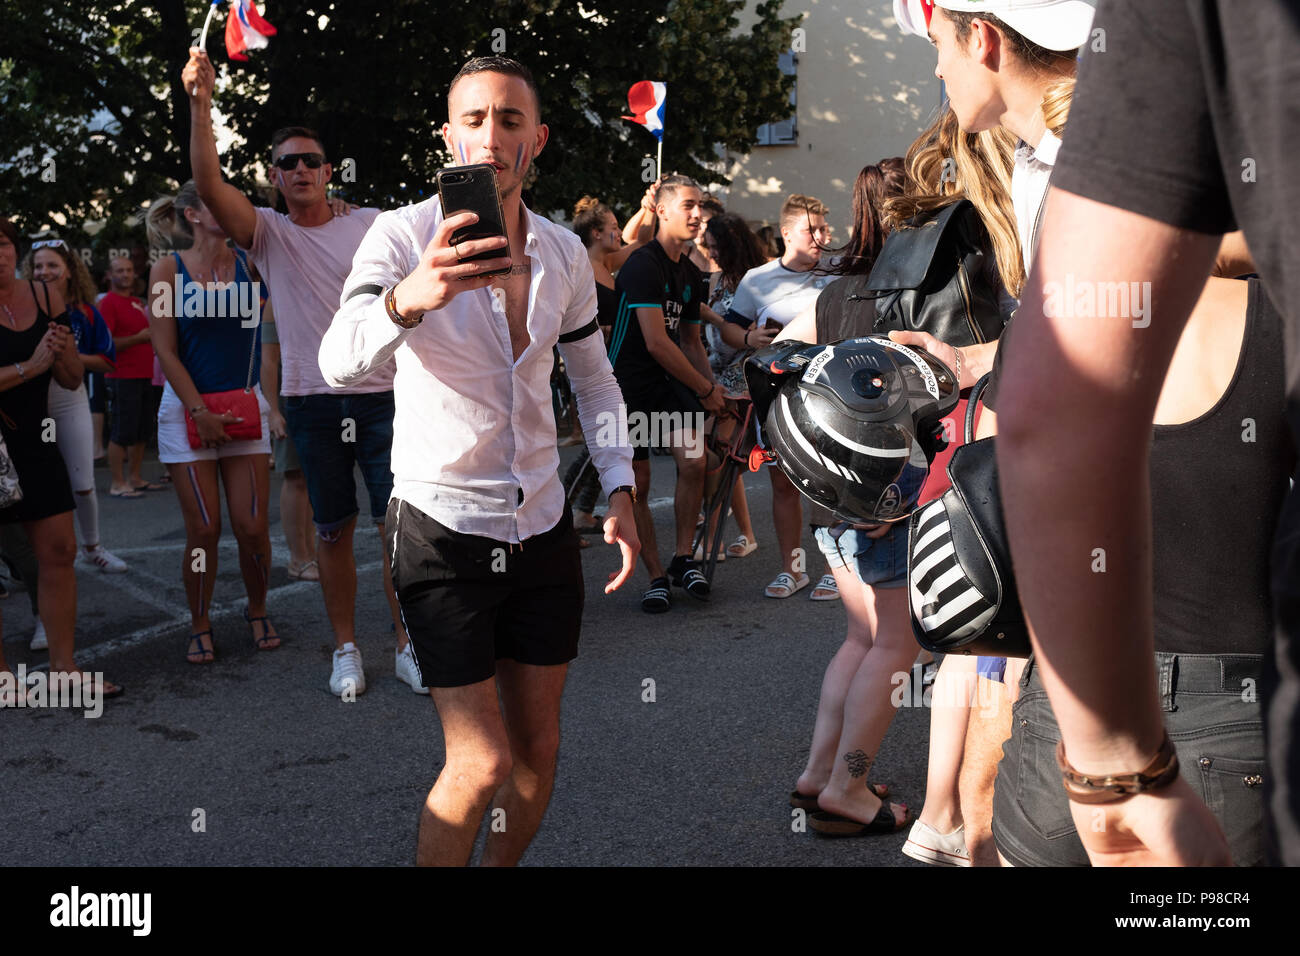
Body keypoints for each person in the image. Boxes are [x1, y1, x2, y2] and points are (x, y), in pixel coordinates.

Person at [976, 0, 1300, 865]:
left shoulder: (1072, 308)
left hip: (1076, 727)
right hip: (1236, 730)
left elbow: (1037, 442)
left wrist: (1108, 766)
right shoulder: (1271, 307)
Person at [320, 55, 639, 866]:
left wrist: (623, 489)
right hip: (441, 525)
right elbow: (337, 362)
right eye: (473, 119)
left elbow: (595, 383)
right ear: (449, 136)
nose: (490, 136)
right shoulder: (398, 237)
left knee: (537, 754)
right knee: (481, 761)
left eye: (508, 119)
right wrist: (410, 298)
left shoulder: (565, 253)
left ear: (537, 137)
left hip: (540, 523)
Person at [892, 0, 1088, 863]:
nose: (936, 71)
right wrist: (975, 366)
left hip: (1127, 561)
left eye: (938, 46)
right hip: (1072, 545)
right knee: (991, 799)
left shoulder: (1095, 160)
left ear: (984, 38)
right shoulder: (1040, 161)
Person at [183, 47, 417, 697]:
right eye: (289, 163)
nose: (302, 169)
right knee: (333, 530)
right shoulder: (267, 235)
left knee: (398, 525)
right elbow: (207, 187)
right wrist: (202, 104)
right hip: (314, 402)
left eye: (313, 160)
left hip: (385, 394)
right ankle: (346, 647)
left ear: (329, 170)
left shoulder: (371, 224)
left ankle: (409, 642)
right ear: (274, 177)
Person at [145, 181, 279, 664]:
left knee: (252, 526)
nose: (229, 207)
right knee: (204, 528)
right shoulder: (166, 270)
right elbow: (164, 347)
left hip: (245, 410)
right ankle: (199, 622)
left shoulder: (253, 262)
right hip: (187, 411)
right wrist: (199, 411)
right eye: (214, 200)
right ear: (192, 213)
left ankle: (258, 609)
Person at [0, 218, 121, 699]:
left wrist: (65, 354)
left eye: (4, 243)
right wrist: (30, 366)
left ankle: (64, 669)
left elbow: (70, 379)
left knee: (60, 552)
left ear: (15, 251)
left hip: (35, 438)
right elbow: (36, 369)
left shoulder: (47, 296)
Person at [607, 174, 728, 613]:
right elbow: (657, 342)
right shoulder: (642, 264)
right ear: (661, 210)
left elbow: (691, 342)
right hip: (628, 386)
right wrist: (704, 388)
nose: (698, 215)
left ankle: (682, 559)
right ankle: (655, 575)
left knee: (694, 461)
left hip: (669, 382)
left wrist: (713, 392)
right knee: (638, 481)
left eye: (701, 207)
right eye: (689, 206)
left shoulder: (692, 274)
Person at [724, 194, 836, 598]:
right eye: (812, 230)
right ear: (787, 233)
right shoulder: (757, 279)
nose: (822, 236)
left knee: (828, 483)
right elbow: (728, 332)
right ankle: (793, 569)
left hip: (829, 394)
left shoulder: (838, 272)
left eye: (825, 228)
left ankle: (832, 569)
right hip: (775, 394)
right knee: (784, 483)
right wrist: (748, 337)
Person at [22, 240, 127, 575]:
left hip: (69, 399)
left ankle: (93, 547)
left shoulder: (84, 311)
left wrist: (66, 355)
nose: (44, 272)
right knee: (30, 486)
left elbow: (107, 360)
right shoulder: (19, 307)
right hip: (29, 404)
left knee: (82, 480)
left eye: (52, 265)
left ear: (69, 270)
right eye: (38, 266)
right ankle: (28, 559)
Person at [565, 191, 656, 538]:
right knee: (597, 443)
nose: (619, 233)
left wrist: (646, 208)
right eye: (613, 228)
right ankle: (561, 517)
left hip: (615, 364)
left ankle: (582, 512)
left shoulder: (608, 264)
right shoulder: (582, 266)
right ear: (596, 234)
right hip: (592, 365)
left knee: (610, 440)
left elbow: (643, 239)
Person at [695, 212, 769, 563]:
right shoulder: (715, 280)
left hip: (742, 372)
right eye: (708, 248)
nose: (712, 254)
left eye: (717, 248)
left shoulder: (756, 281)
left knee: (717, 455)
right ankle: (746, 535)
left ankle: (710, 542)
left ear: (732, 246)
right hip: (714, 369)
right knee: (723, 458)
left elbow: (758, 332)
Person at [260, 303, 318, 580]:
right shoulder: (276, 300)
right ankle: (299, 558)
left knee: (310, 479)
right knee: (295, 476)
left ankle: (309, 554)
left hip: (319, 390)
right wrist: (272, 411)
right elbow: (268, 359)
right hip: (290, 393)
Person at [100, 256, 163, 498]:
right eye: (119, 270)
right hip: (122, 376)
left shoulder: (136, 302)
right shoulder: (108, 303)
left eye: (128, 270)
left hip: (144, 374)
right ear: (109, 275)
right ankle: (117, 483)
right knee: (121, 430)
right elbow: (106, 344)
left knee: (142, 430)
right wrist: (139, 337)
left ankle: (134, 478)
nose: (125, 274)